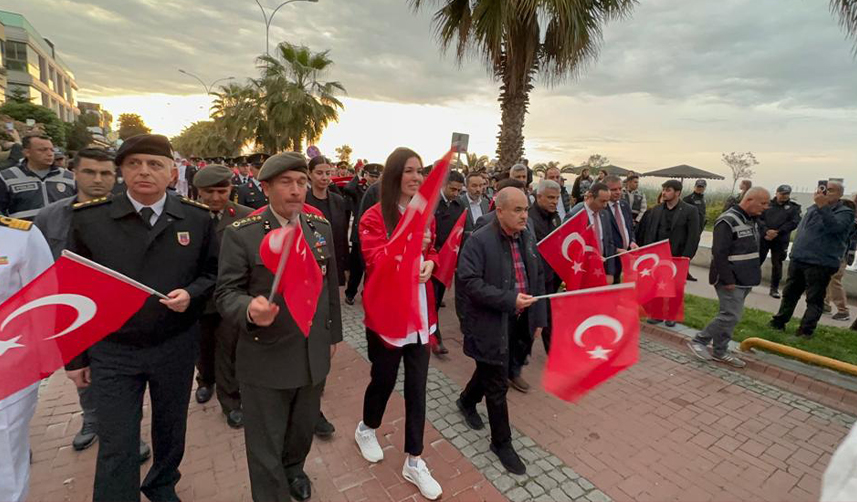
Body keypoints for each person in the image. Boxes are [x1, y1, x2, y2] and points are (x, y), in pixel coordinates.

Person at [64, 134, 219, 502]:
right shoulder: (91, 219)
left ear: (171, 173)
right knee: (118, 440)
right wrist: (76, 356)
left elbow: (213, 274)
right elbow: (72, 291)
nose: (144, 171)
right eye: (134, 164)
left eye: (154, 164)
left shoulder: (196, 219)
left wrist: (191, 294)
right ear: (121, 172)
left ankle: (162, 485)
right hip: (114, 349)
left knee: (170, 429)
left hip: (174, 345)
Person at [215, 152, 342, 502]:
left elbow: (329, 287)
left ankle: (293, 470)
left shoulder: (320, 229)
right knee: (265, 440)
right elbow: (225, 293)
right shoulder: (242, 235)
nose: (296, 190)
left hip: (312, 350)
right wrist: (249, 309)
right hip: (266, 354)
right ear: (266, 187)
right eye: (286, 182)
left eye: (301, 182)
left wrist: (332, 335)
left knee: (301, 429)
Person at [34, 149, 152, 458]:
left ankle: (128, 432)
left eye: (105, 173)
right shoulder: (51, 217)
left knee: (122, 382)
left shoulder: (127, 214)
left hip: (114, 312)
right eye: (90, 172)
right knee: (80, 371)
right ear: (74, 173)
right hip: (70, 309)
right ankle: (91, 420)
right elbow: (41, 266)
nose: (98, 180)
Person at [354, 147, 443, 501]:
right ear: (394, 176)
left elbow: (432, 251)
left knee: (418, 387)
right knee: (384, 379)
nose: (416, 178)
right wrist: (408, 243)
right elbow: (376, 262)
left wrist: (431, 264)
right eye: (408, 171)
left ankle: (415, 459)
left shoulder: (427, 216)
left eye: (420, 171)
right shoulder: (374, 217)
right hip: (388, 317)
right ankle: (367, 427)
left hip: (421, 316)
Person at [456, 187, 546, 475]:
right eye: (518, 210)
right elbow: (469, 282)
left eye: (526, 210)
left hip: (518, 321)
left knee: (492, 367)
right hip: (489, 322)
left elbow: (538, 276)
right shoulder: (479, 241)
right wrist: (508, 300)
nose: (524, 215)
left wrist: (538, 319)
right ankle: (501, 443)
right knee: (497, 383)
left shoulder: (527, 235)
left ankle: (467, 400)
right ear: (500, 210)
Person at [190, 165, 253, 429]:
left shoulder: (246, 217)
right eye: (208, 192)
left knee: (229, 350)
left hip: (233, 296)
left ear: (231, 189)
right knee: (203, 347)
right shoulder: (188, 216)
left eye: (222, 190)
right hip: (199, 298)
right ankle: (205, 381)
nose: (216, 197)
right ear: (198, 191)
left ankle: (231, 401)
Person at [0, 217, 54, 502]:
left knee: (5, 464)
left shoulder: (19, 237)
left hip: (8, 366)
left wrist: (44, 360)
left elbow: (45, 301)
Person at [687, 187, 771, 368]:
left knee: (731, 317)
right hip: (730, 279)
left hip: (746, 278)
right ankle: (699, 341)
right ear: (749, 200)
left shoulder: (752, 219)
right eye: (763, 203)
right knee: (730, 316)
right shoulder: (727, 220)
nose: (766, 207)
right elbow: (719, 252)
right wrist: (728, 279)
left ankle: (720, 350)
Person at [770, 181, 855, 338]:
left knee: (814, 298)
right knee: (790, 293)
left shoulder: (845, 213)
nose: (824, 193)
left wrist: (823, 207)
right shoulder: (813, 208)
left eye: (830, 190)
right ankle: (779, 321)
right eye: (822, 189)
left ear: (840, 194)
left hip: (820, 262)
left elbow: (835, 228)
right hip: (800, 258)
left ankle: (805, 331)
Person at [432, 170, 468, 356]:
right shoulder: (430, 202)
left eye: (458, 190)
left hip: (444, 261)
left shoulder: (459, 205)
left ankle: (434, 334)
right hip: (426, 258)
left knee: (436, 299)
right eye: (452, 189)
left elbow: (459, 234)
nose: (455, 193)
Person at [0, 134, 75, 219]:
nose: (50, 154)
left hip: (60, 231)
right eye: (43, 150)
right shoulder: (6, 178)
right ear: (27, 152)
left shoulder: (69, 177)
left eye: (51, 150)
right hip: (24, 231)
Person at [638, 180, 701, 278]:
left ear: (677, 192)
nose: (663, 193)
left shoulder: (690, 211)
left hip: (676, 257)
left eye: (668, 190)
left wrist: (686, 257)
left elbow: (693, 236)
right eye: (663, 190)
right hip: (655, 257)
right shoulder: (655, 210)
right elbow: (648, 233)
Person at [527, 179, 561, 353]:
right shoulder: (529, 219)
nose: (554, 201)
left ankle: (553, 352)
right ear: (539, 196)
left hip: (551, 278)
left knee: (548, 315)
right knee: (531, 320)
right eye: (550, 198)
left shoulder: (555, 217)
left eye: (557, 198)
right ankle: (520, 357)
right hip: (532, 280)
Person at [305, 156, 349, 286]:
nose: (324, 177)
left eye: (328, 173)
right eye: (319, 173)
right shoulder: (302, 201)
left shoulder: (338, 201)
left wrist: (346, 266)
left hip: (333, 261)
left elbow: (342, 235)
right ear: (309, 174)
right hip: (309, 263)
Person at [344, 163, 382, 305]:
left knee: (370, 268)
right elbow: (348, 189)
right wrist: (358, 176)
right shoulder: (359, 188)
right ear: (365, 175)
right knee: (356, 268)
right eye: (371, 176)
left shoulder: (380, 191)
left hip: (374, 235)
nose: (374, 179)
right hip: (358, 235)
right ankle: (350, 293)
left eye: (376, 176)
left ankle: (367, 292)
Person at [758, 185, 802, 299]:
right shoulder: (767, 204)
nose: (784, 196)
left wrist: (777, 232)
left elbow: (794, 222)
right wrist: (767, 231)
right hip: (765, 237)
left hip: (780, 239)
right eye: (782, 194)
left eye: (786, 194)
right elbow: (759, 218)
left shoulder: (793, 208)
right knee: (757, 260)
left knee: (777, 264)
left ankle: (774, 288)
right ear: (777, 193)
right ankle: (749, 281)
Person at [567, 182, 617, 281]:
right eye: (602, 201)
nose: (605, 205)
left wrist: (610, 272)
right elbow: (570, 247)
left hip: (601, 269)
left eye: (607, 201)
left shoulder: (605, 215)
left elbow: (609, 243)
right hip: (582, 270)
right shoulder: (575, 215)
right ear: (590, 196)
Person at [823, 197, 857, 322]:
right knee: (828, 278)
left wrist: (850, 255)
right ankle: (825, 303)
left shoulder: (850, 221)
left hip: (840, 254)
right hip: (836, 253)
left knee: (834, 280)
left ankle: (843, 310)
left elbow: (851, 240)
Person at [604, 175, 637, 282]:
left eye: (620, 189)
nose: (618, 192)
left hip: (624, 257)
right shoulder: (601, 209)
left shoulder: (624, 205)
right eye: (613, 189)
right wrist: (615, 250)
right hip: (608, 258)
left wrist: (632, 241)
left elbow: (630, 228)